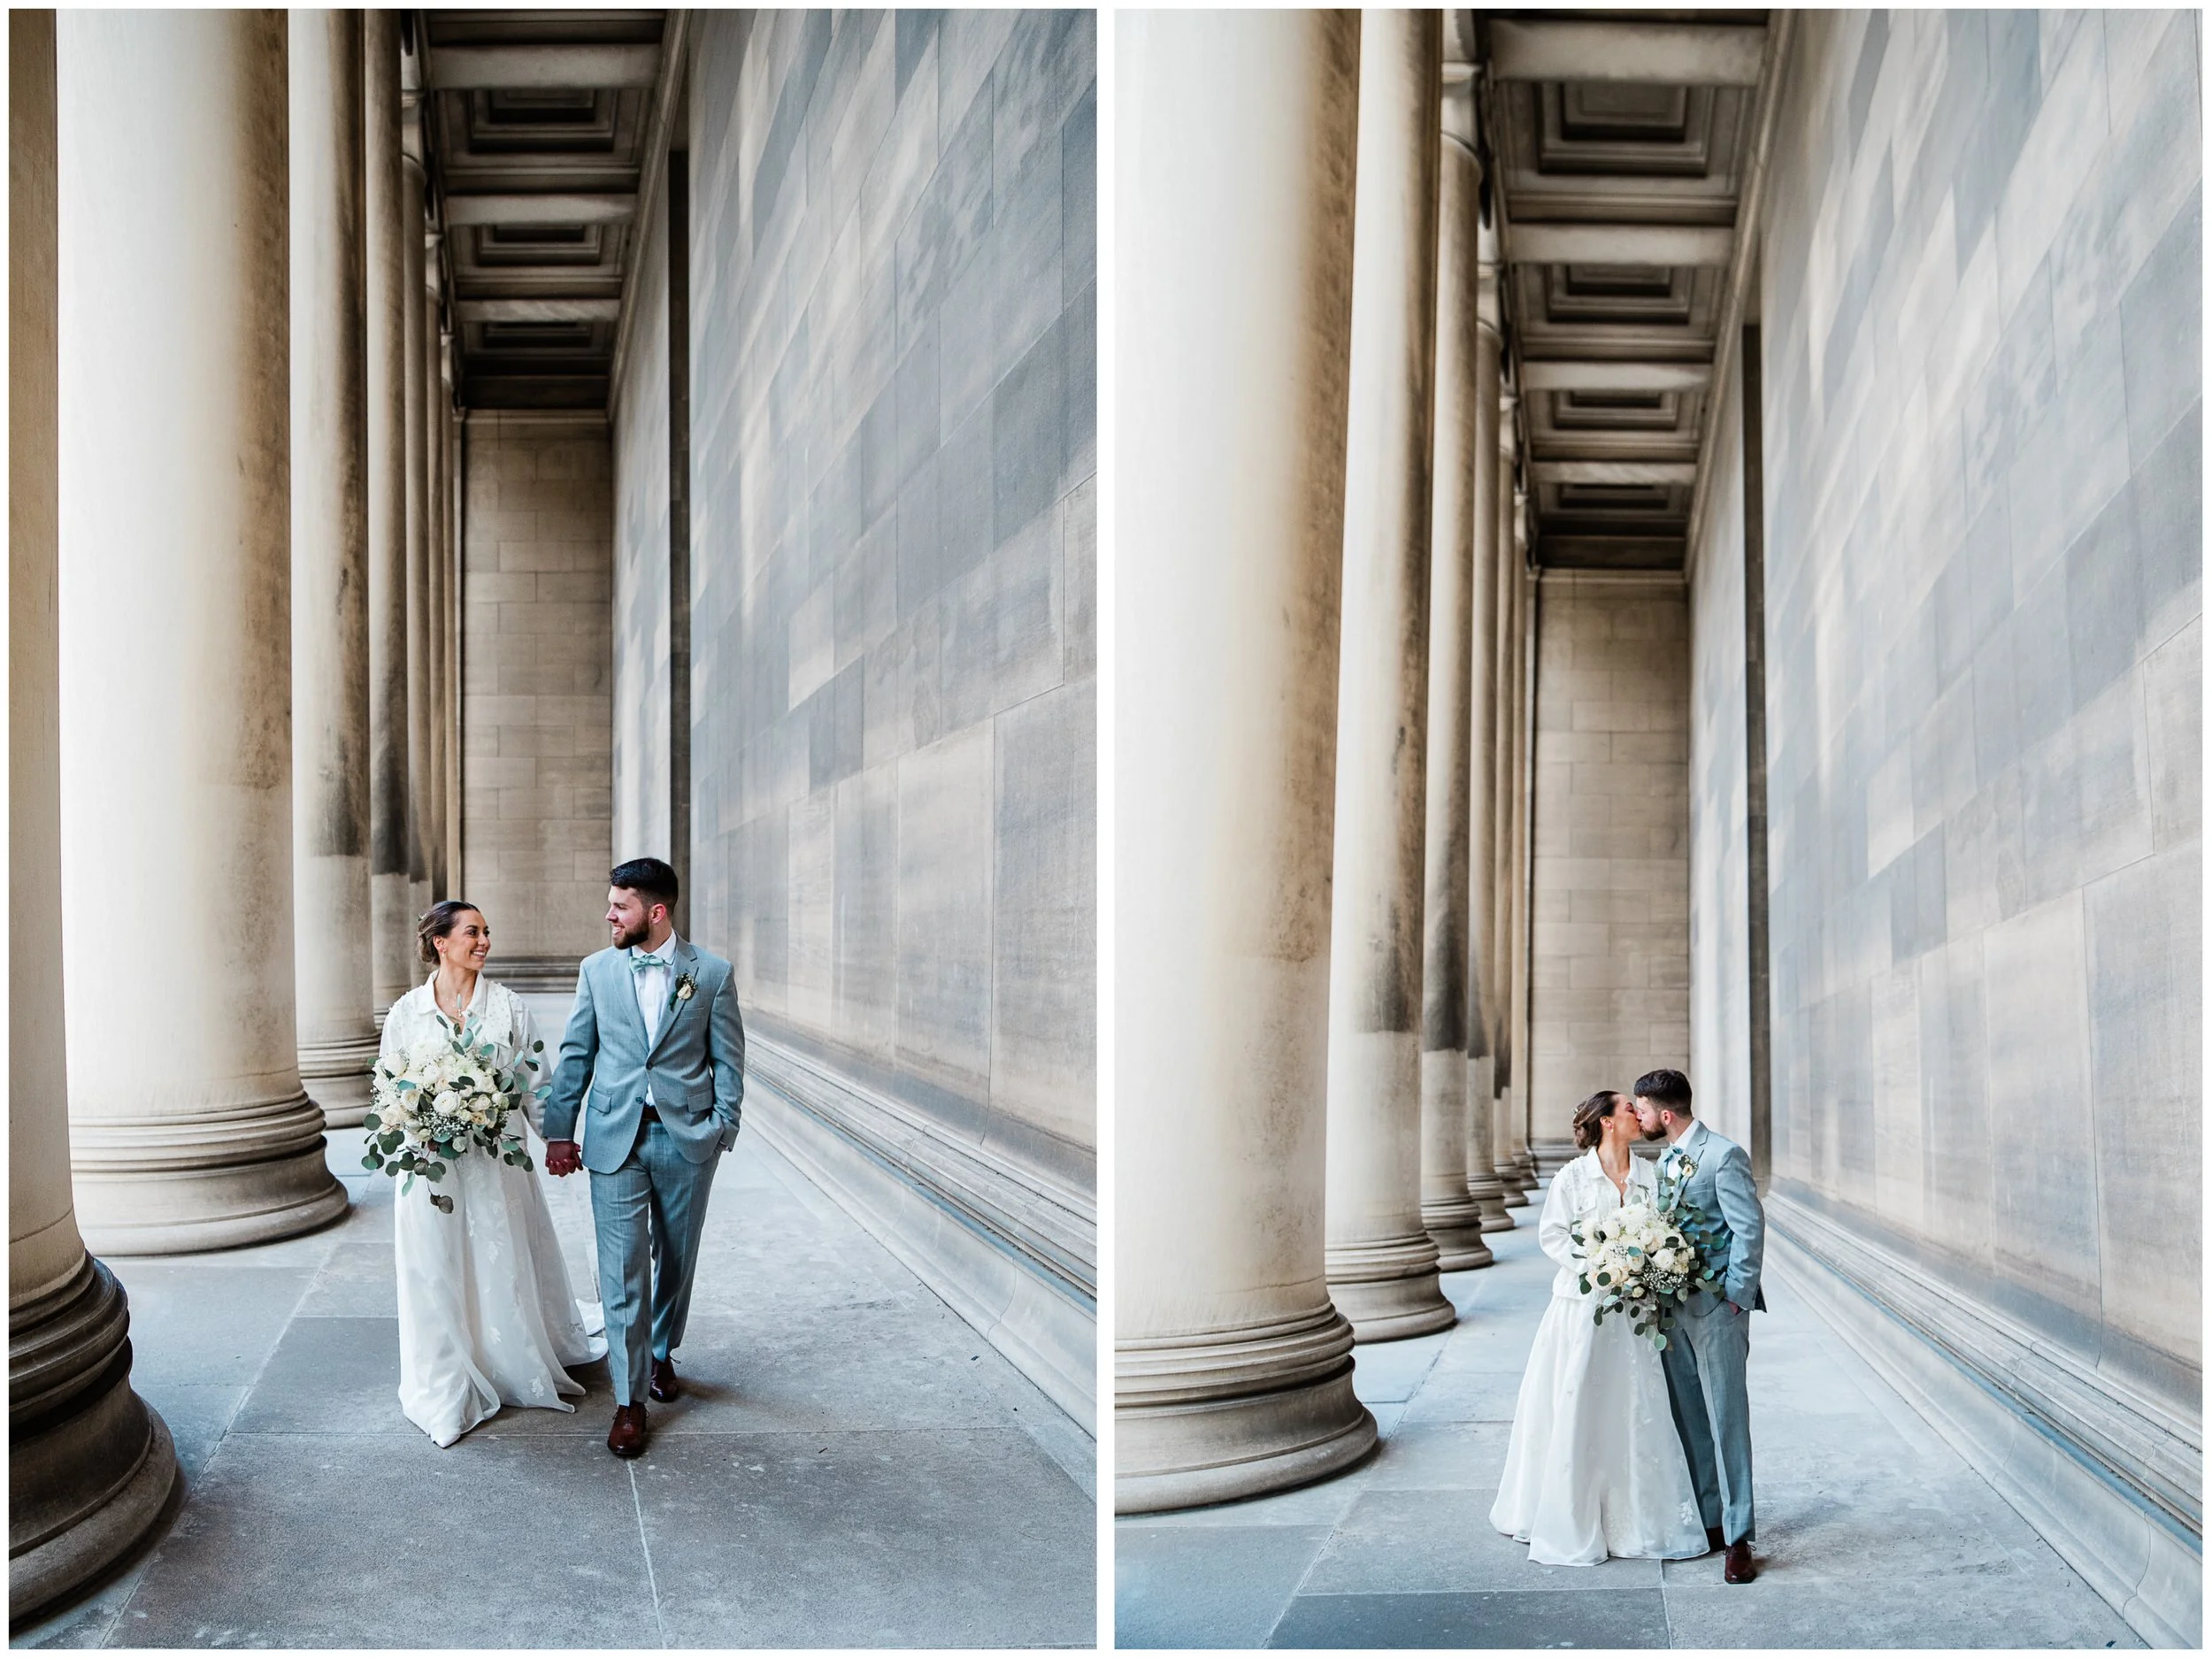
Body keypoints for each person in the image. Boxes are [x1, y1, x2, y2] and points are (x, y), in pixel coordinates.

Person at [542, 857, 746, 1458]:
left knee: (676, 1258)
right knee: (622, 1267)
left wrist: (721, 1128)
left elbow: (729, 1060)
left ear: (656, 913)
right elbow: (576, 1052)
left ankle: (660, 1351)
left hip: (687, 1138)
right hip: (615, 1137)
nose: (609, 915)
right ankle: (630, 1401)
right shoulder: (597, 971)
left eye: (620, 906)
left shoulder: (710, 973)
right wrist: (560, 1130)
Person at [384, 901, 603, 1447]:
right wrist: (419, 1123)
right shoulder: (406, 1013)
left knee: (497, 1255)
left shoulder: (508, 1008)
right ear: (440, 942)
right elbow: (390, 1089)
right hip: (431, 1163)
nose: (484, 941)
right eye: (472, 932)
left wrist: (556, 1138)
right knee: (436, 1264)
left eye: (487, 932)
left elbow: (536, 1082)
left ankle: (509, 1359)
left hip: (496, 1162)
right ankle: (447, 1375)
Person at [1490, 1090, 1709, 1566]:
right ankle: (1571, 1514)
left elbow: (1666, 1229)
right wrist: (1603, 1265)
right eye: (1630, 1108)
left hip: (1634, 1317)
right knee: (1579, 1405)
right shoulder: (1572, 1177)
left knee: (1633, 1406)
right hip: (1580, 1310)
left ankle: (1637, 1517)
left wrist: (1645, 1268)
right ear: (1608, 1121)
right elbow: (1551, 1234)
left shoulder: (1651, 1175)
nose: (1638, 1112)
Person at [1632, 1066, 1765, 1585]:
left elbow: (1747, 1231)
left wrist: (1735, 1300)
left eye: (1641, 1109)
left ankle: (1738, 1537)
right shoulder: (1665, 1159)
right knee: (1691, 1420)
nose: (1637, 1116)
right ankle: (1711, 1521)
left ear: (1665, 1113)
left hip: (1716, 1313)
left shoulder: (1723, 1155)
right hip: (1672, 1314)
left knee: (1727, 1420)